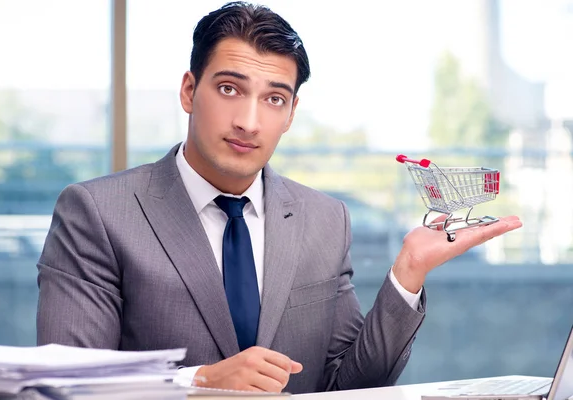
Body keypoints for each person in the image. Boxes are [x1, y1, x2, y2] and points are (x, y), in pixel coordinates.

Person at [36, 1, 522, 394]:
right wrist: (196, 382)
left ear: (290, 113)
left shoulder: (324, 219)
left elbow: (349, 384)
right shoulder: (98, 213)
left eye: (274, 99)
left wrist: (408, 273)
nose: (250, 121)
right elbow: (68, 384)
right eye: (229, 88)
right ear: (189, 90)